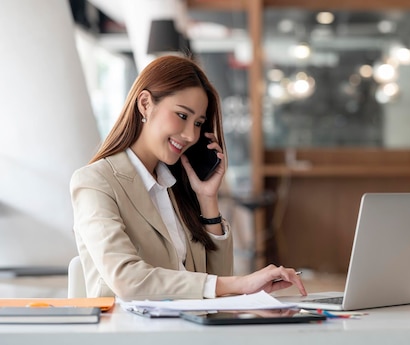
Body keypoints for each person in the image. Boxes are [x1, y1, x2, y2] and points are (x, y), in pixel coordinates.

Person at [70, 55, 307, 300]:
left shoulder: (176, 187)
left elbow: (218, 283)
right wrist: (241, 283)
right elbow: (127, 280)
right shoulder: (95, 182)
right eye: (183, 116)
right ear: (145, 104)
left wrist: (207, 199)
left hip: (192, 329)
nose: (191, 136)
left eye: (198, 123)